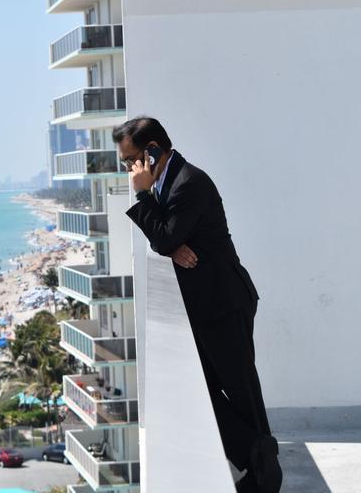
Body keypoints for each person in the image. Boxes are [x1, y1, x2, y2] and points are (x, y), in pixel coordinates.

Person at [116, 117, 281, 493]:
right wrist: (171, 243)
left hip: (224, 304)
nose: (128, 169)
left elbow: (165, 237)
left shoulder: (188, 183)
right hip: (209, 307)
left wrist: (144, 200)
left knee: (241, 391)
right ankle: (255, 455)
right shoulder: (170, 183)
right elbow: (168, 239)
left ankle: (264, 475)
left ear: (153, 149)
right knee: (205, 393)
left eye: (130, 160)